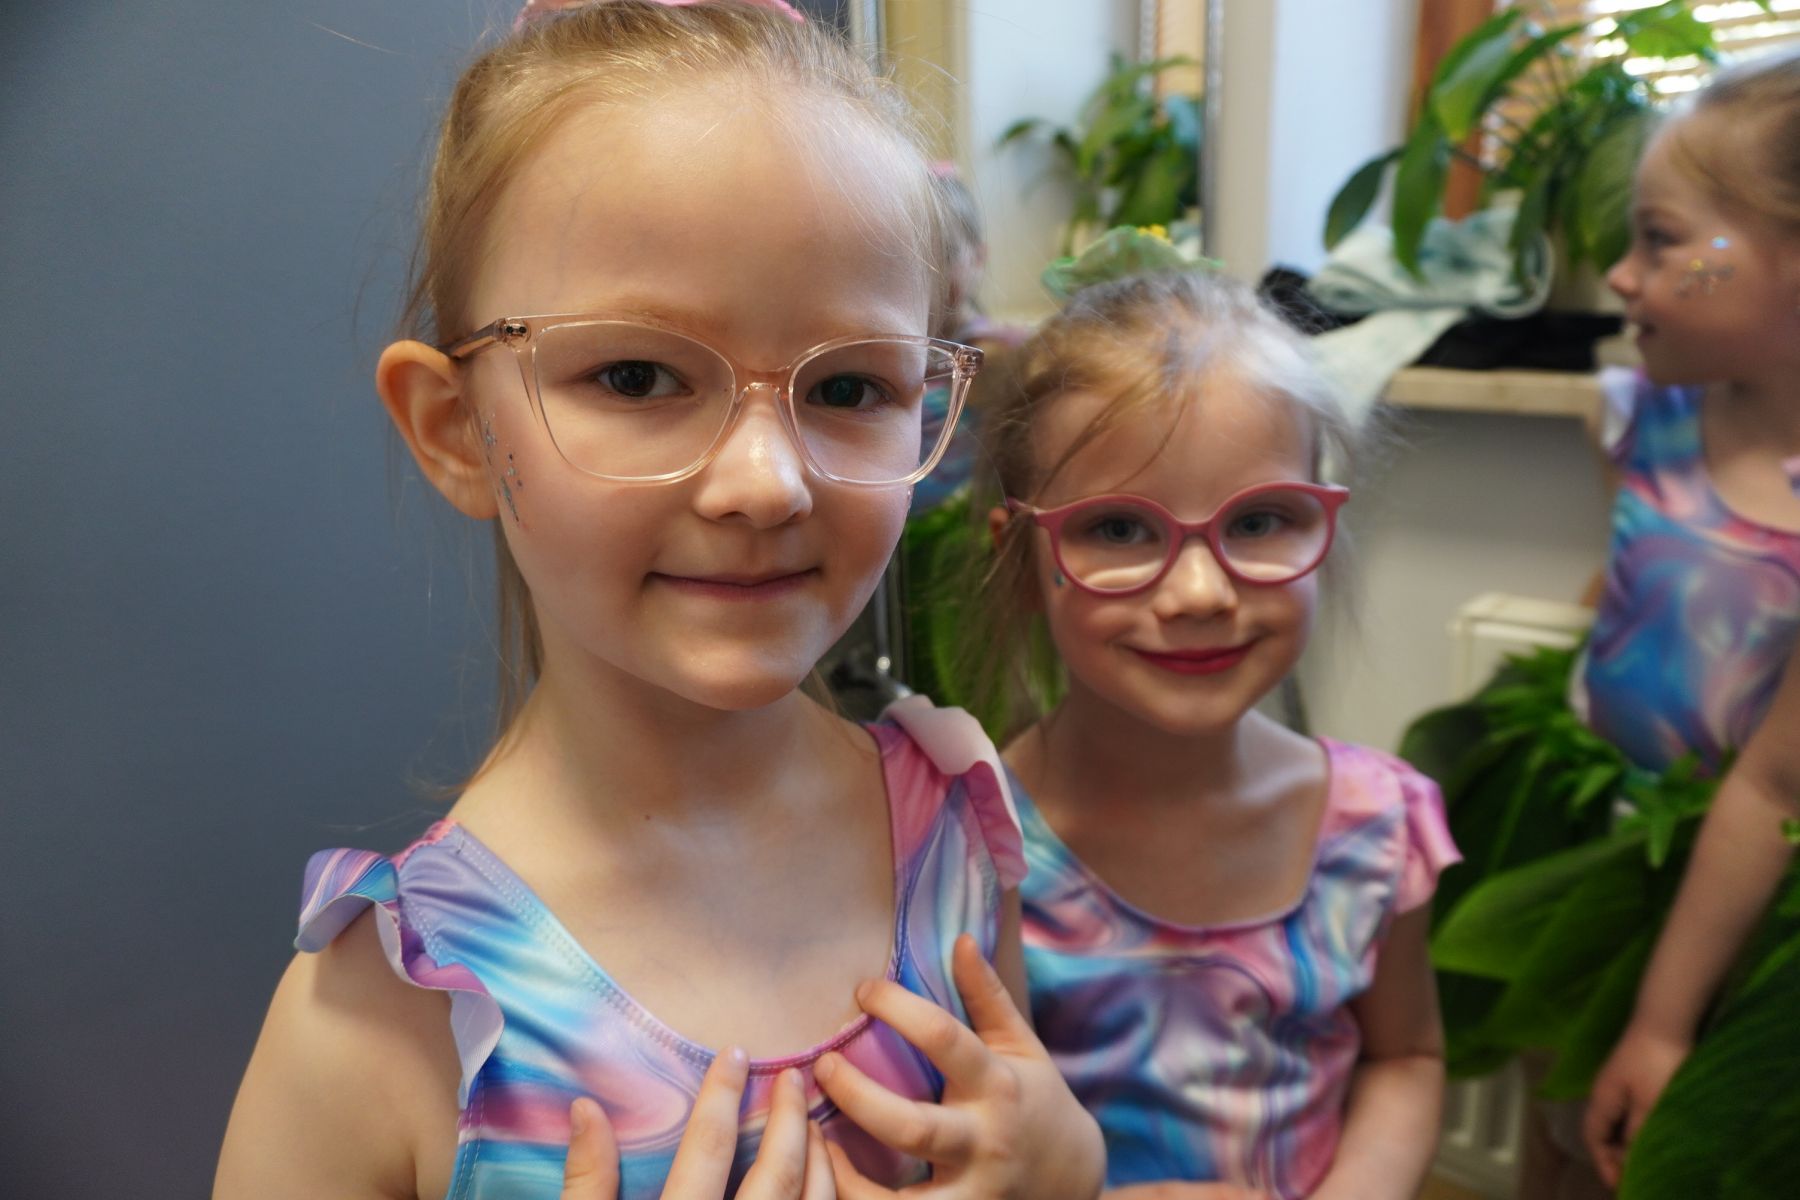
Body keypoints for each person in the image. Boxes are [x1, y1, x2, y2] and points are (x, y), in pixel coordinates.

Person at [212, 3, 1104, 1197]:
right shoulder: (385, 1022)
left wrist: (1061, 1166)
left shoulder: (957, 832)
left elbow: (1025, 1118)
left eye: (850, 387)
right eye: (637, 376)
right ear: (457, 429)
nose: (766, 482)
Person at [962, 249, 1459, 1200]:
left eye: (1261, 521)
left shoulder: (1376, 828)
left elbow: (1407, 1058)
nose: (1200, 592)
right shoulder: (970, 851)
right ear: (1021, 560)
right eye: (1118, 529)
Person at [1577, 51, 1800, 1189]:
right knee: (1561, 1111)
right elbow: (1623, 586)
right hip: (1610, 836)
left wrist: (1665, 1024)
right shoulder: (1642, 418)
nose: (1623, 274)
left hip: (1745, 903)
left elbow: (1778, 782)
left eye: (1661, 241)